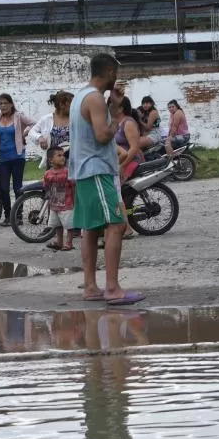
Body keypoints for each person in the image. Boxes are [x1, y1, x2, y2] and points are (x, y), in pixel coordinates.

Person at [71, 53, 143, 306]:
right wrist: (117, 120)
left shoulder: (81, 96)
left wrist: (113, 107)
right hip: (97, 169)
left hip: (83, 170)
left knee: (90, 228)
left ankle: (91, 287)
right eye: (116, 74)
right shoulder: (94, 99)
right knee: (117, 224)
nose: (117, 79)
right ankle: (112, 288)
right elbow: (103, 136)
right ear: (110, 72)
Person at [0, 93, 36, 225]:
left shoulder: (18, 116)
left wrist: (25, 133)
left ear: (11, 104)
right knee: (3, 187)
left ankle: (18, 216)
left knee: (17, 187)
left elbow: (34, 123)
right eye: (0, 104)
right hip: (2, 158)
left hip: (17, 156)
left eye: (5, 103)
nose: (3, 106)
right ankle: (8, 215)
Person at [111, 96, 141, 239]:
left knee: (114, 193)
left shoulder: (128, 123)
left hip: (129, 161)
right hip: (118, 161)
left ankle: (127, 228)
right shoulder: (115, 123)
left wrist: (122, 165)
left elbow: (134, 148)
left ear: (121, 108)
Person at [28, 91, 73, 169]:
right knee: (53, 180)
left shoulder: (75, 118)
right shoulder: (46, 119)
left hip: (72, 161)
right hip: (54, 162)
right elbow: (32, 132)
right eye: (71, 104)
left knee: (70, 181)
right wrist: (40, 138)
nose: (74, 106)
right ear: (62, 105)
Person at [43, 147, 74, 252]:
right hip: (54, 204)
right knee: (57, 225)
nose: (63, 158)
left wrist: (75, 200)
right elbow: (46, 186)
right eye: (59, 155)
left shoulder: (67, 172)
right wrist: (48, 196)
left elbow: (73, 186)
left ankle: (69, 242)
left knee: (69, 225)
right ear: (51, 160)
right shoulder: (47, 174)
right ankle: (59, 241)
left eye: (63, 155)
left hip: (67, 204)